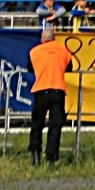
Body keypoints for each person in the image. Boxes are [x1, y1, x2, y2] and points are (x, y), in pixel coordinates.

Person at [27, 19, 72, 167]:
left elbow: (30, 68)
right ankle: (51, 158)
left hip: (41, 91)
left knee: (37, 125)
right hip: (58, 92)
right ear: (54, 39)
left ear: (43, 39)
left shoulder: (34, 52)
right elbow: (69, 68)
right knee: (55, 126)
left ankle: (35, 155)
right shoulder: (64, 50)